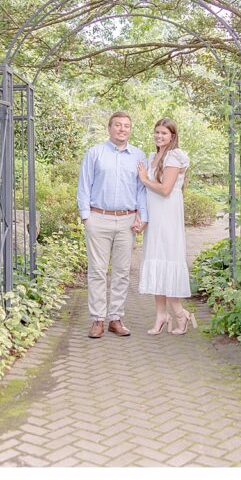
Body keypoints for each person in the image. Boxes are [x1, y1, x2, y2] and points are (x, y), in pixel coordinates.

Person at [77, 111, 149, 339]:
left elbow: (142, 188)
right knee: (97, 271)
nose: (122, 129)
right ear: (109, 128)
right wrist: (86, 216)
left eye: (126, 125)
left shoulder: (138, 156)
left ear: (130, 129)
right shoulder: (95, 153)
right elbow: (84, 184)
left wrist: (142, 216)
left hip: (127, 221)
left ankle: (115, 319)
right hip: (98, 219)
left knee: (122, 272)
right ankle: (98, 319)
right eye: (118, 125)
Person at [136, 117, 196, 336]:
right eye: (157, 132)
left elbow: (165, 189)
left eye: (164, 133)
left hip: (168, 214)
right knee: (156, 259)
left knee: (168, 258)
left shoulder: (174, 156)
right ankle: (161, 315)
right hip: (155, 214)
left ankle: (180, 313)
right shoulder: (154, 156)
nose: (159, 136)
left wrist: (143, 179)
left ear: (172, 136)